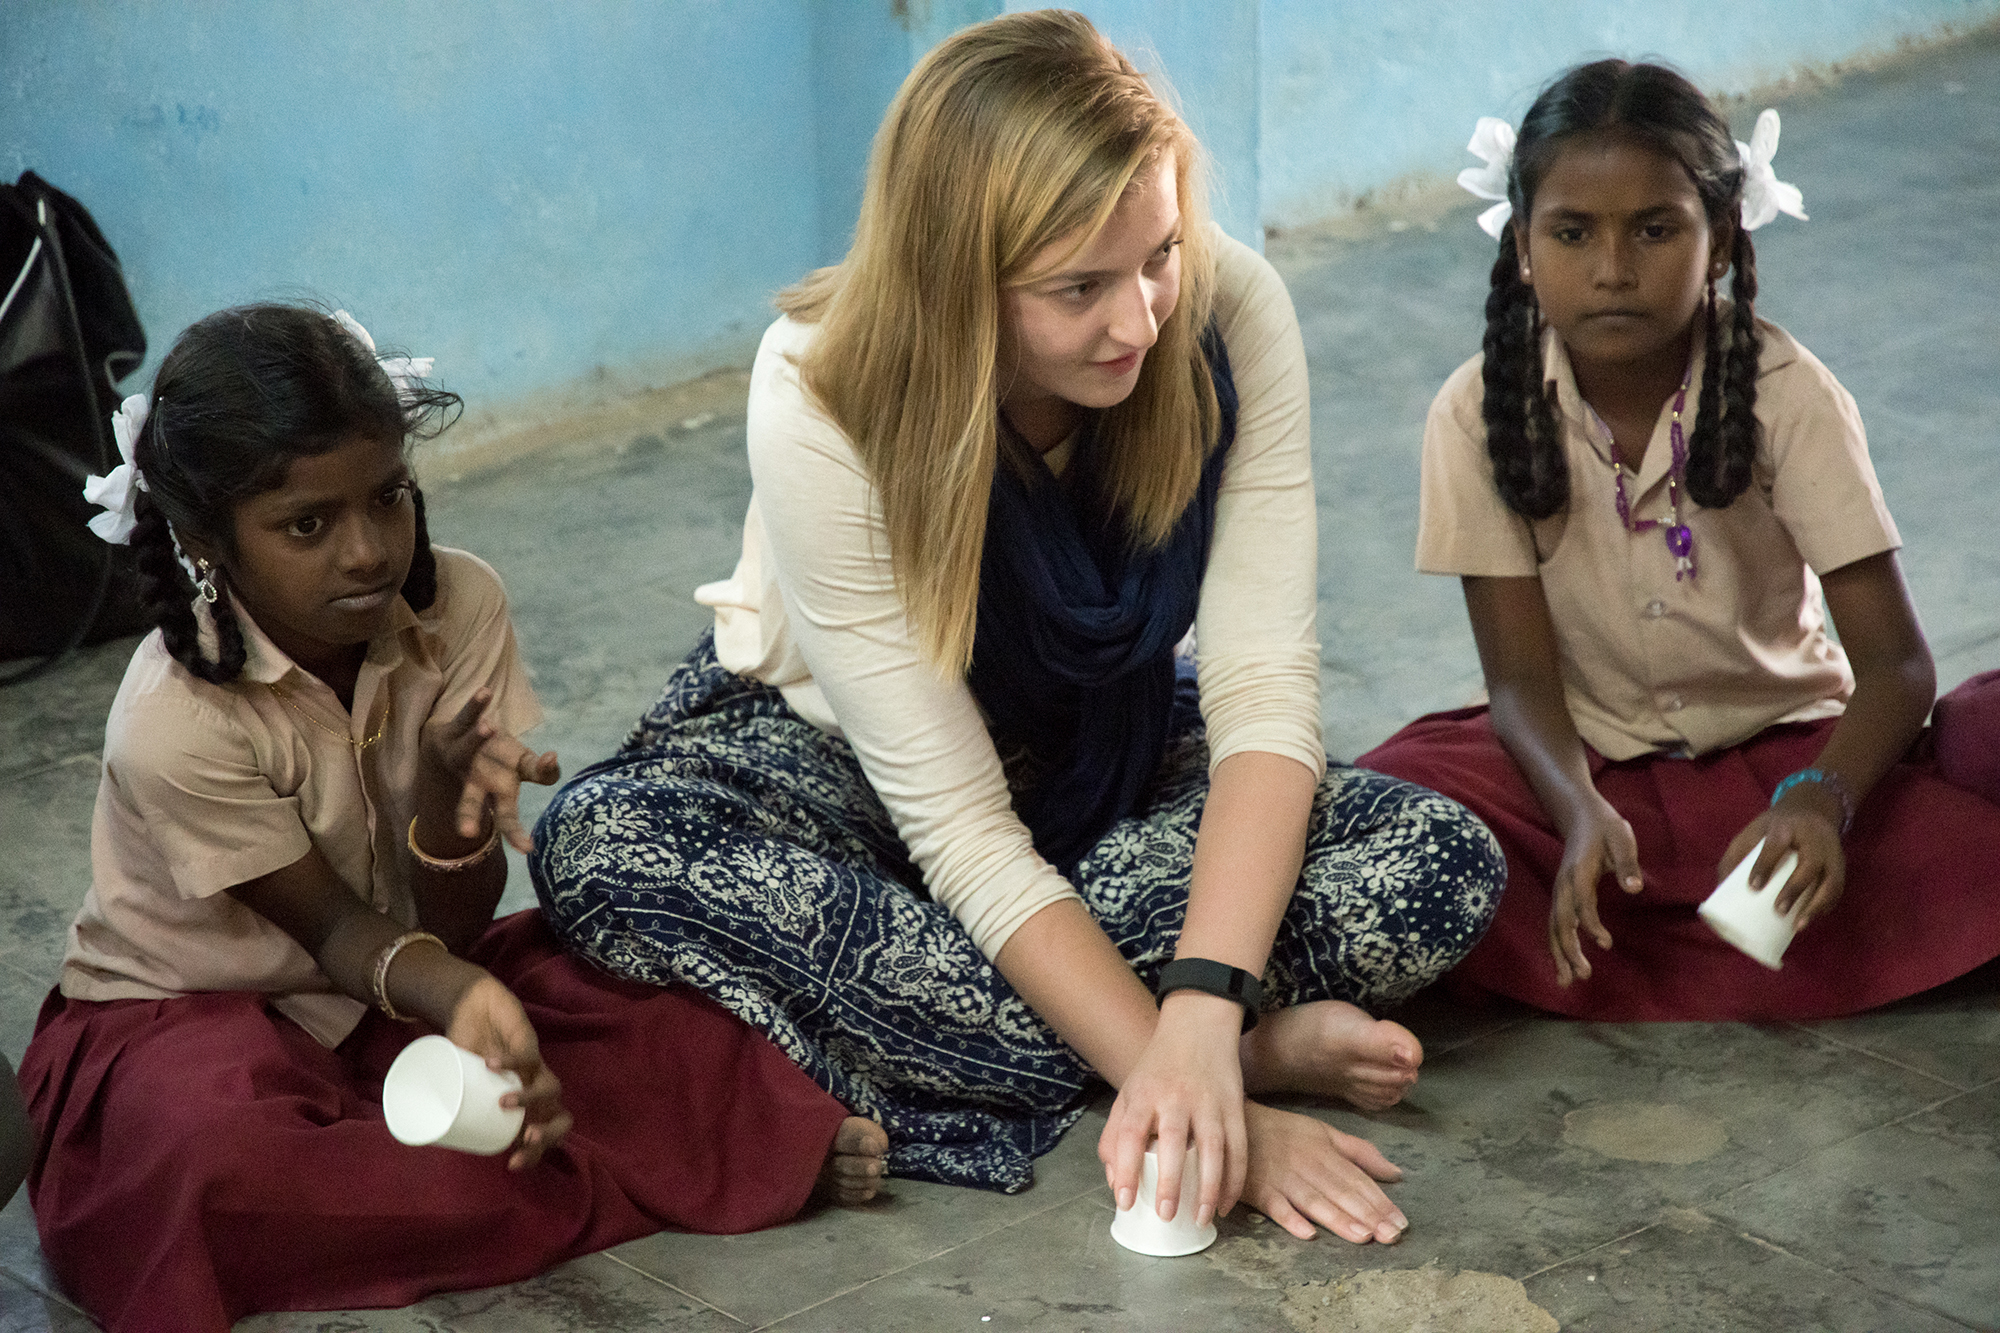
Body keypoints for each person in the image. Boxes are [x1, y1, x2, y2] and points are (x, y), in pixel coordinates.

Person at [532, 9, 1504, 1247]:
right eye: (1075, 288)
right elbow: (957, 829)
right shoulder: (817, 384)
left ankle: (1007, 1042)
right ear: (955, 282)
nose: (1139, 322)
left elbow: (1261, 689)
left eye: (1153, 255)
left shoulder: (1224, 312)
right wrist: (1224, 1092)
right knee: (604, 846)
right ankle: (1224, 1065)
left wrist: (1198, 1004)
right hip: (834, 766)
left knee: (1432, 863)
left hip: (1108, 746)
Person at [19, 304, 884, 1333]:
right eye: (308, 524)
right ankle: (631, 1168)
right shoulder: (173, 717)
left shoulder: (461, 605)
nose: (367, 551)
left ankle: (522, 1172)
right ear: (206, 539)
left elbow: (457, 921)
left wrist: (444, 798)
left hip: (402, 980)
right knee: (208, 1158)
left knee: (655, 1009)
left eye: (388, 497)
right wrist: (460, 994)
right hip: (196, 1017)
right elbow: (335, 931)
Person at [1359, 60, 2000, 1021]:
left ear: (1719, 241)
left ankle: (1640, 945)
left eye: (1656, 229)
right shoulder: (1475, 411)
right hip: (1586, 769)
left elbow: (1898, 667)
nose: (1613, 269)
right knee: (1383, 821)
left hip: (1787, 756)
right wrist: (1575, 810)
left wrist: (1821, 798)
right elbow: (1521, 686)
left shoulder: (1788, 393)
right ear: (1524, 248)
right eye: (1573, 232)